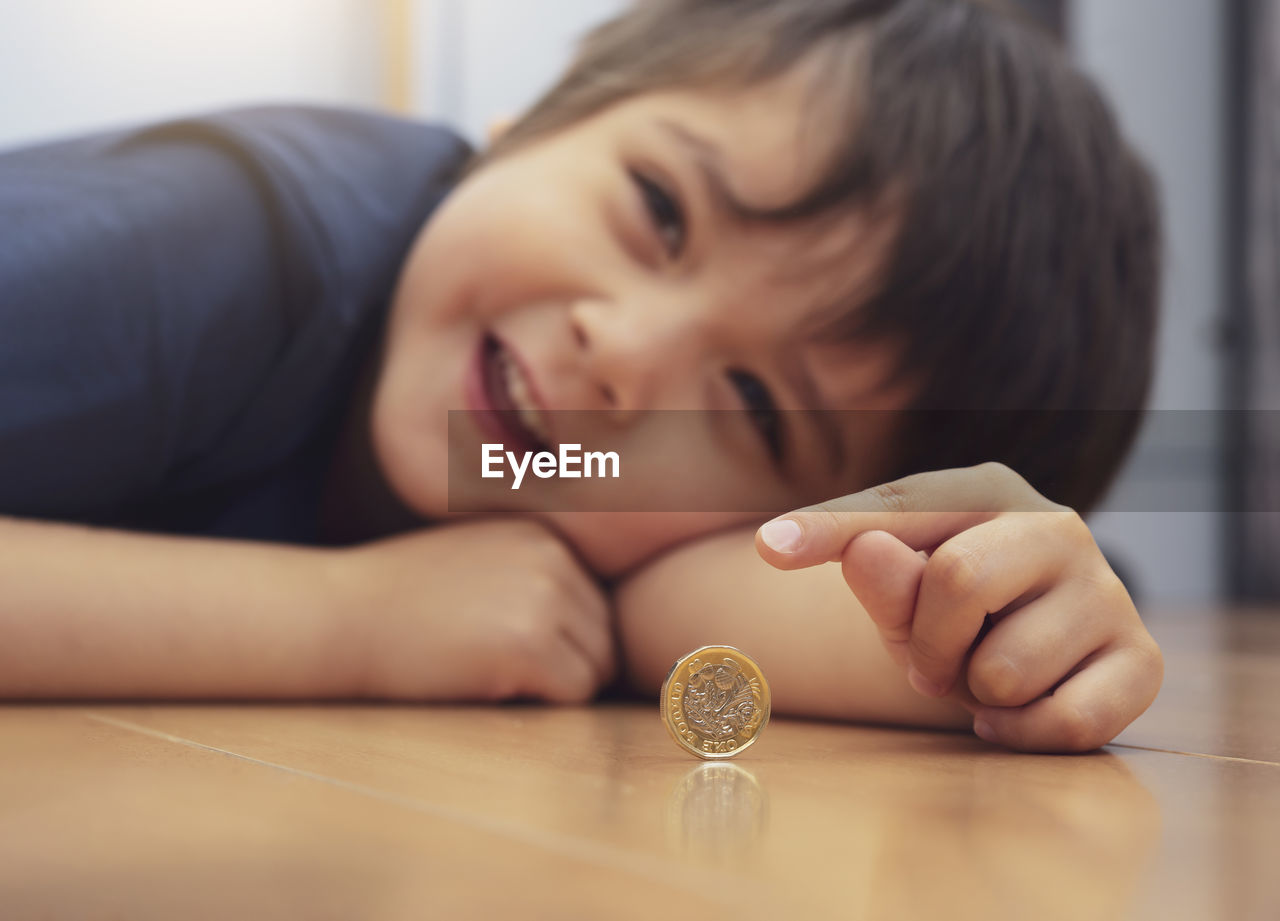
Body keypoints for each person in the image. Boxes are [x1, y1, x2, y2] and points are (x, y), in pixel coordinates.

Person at [0, 0, 1163, 753]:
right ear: (529, 125)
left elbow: (829, 590)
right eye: (657, 209)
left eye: (753, 406)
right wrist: (350, 626)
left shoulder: (585, 500)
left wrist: (1001, 620)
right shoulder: (219, 244)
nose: (627, 356)